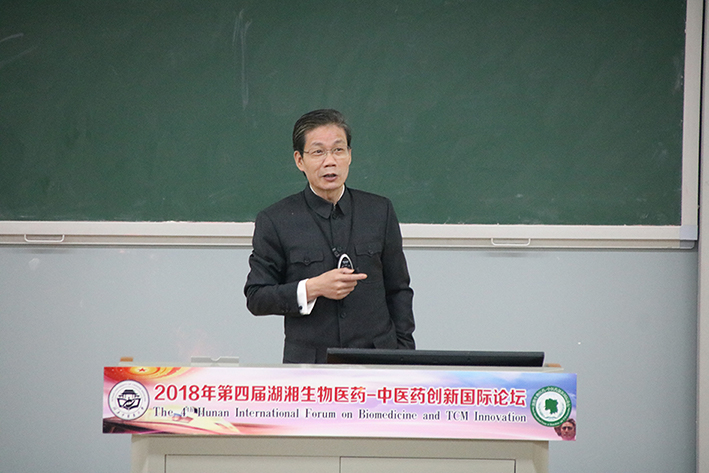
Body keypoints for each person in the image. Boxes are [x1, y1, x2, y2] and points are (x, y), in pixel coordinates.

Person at [244, 109, 415, 363]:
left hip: (377, 360)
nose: (330, 161)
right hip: (311, 365)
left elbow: (398, 290)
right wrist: (313, 288)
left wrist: (403, 355)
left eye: (338, 150)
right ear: (299, 160)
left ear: (349, 155)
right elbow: (257, 297)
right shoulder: (276, 220)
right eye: (318, 152)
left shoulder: (380, 211)